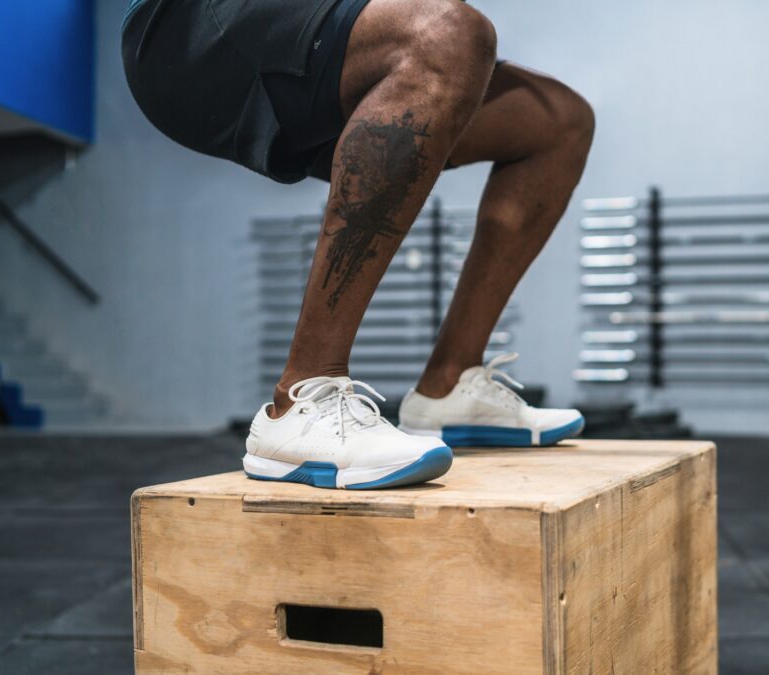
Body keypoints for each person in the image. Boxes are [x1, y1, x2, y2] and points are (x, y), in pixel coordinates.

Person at [122, 0, 593, 489]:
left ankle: (450, 384)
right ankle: (300, 401)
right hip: (184, 29)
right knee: (444, 34)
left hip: (307, 35)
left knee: (558, 121)